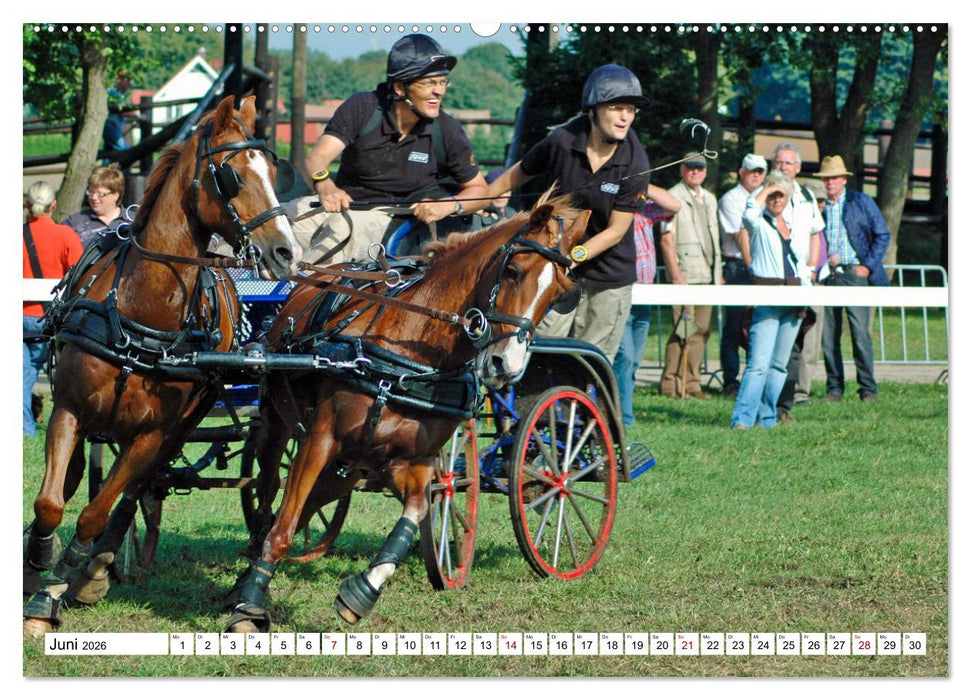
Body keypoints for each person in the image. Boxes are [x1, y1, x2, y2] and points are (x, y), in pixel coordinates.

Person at [484, 63, 651, 363]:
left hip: (607, 278)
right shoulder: (561, 141)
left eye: (631, 109)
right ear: (593, 110)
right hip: (555, 272)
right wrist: (483, 199)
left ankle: (585, 411)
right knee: (540, 355)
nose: (626, 116)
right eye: (616, 107)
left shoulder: (636, 162)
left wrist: (572, 257)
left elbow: (615, 231)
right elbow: (516, 174)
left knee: (588, 365)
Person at [299, 33, 488, 258]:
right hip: (339, 203)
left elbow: (481, 192)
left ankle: (296, 291)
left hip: (391, 218)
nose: (440, 91)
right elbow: (315, 159)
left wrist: (446, 206)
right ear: (399, 88)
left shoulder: (447, 130)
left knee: (336, 233)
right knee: (276, 224)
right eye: (429, 83)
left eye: (442, 81)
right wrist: (324, 185)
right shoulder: (362, 107)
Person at [730, 171, 806, 429]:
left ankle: (768, 418)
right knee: (758, 365)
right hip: (767, 298)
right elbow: (749, 213)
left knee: (779, 366)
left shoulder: (793, 226)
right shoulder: (759, 224)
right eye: (773, 195)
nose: (777, 200)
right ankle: (742, 420)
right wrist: (767, 188)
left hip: (794, 299)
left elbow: (800, 265)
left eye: (781, 195)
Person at [816, 155, 890, 402]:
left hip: (855, 273)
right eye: (826, 178)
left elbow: (882, 235)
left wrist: (867, 267)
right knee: (829, 336)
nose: (830, 182)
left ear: (844, 180)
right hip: (828, 276)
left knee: (860, 333)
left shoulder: (862, 202)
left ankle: (868, 388)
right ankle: (834, 388)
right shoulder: (818, 207)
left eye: (834, 177)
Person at [612, 185, 681, 428]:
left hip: (645, 295)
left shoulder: (643, 208)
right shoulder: (610, 207)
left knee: (632, 362)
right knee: (625, 357)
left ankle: (621, 413)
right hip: (620, 292)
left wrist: (642, 183)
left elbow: (675, 205)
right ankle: (623, 419)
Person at [23, 181, 83, 436]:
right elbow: (80, 274)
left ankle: (24, 431)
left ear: (27, 205)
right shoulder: (66, 235)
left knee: (22, 378)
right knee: (67, 379)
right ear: (53, 206)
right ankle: (69, 430)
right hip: (54, 319)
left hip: (20, 316)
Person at [658, 154, 721, 399]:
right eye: (690, 168)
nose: (695, 172)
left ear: (705, 172)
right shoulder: (673, 196)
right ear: (682, 170)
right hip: (685, 275)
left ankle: (692, 383)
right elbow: (666, 239)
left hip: (708, 276)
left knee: (701, 330)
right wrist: (675, 275)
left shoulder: (710, 199)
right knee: (681, 330)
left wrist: (719, 274)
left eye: (700, 168)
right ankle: (670, 384)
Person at [717, 153, 767, 398]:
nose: (756, 175)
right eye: (752, 170)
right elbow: (740, 234)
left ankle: (754, 380)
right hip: (739, 267)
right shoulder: (731, 199)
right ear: (742, 172)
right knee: (734, 327)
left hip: (763, 269)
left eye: (760, 171)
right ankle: (730, 381)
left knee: (757, 325)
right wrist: (753, 268)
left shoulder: (767, 198)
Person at [791, 178, 830, 406]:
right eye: (817, 200)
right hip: (799, 283)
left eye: (824, 200)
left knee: (812, 344)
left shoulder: (822, 223)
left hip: (818, 287)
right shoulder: (799, 220)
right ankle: (788, 388)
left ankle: (802, 391)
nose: (821, 204)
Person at [62, 165, 133, 249]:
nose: (94, 198)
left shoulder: (132, 220)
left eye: (100, 194)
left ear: (115, 195)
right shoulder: (73, 222)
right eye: (91, 192)